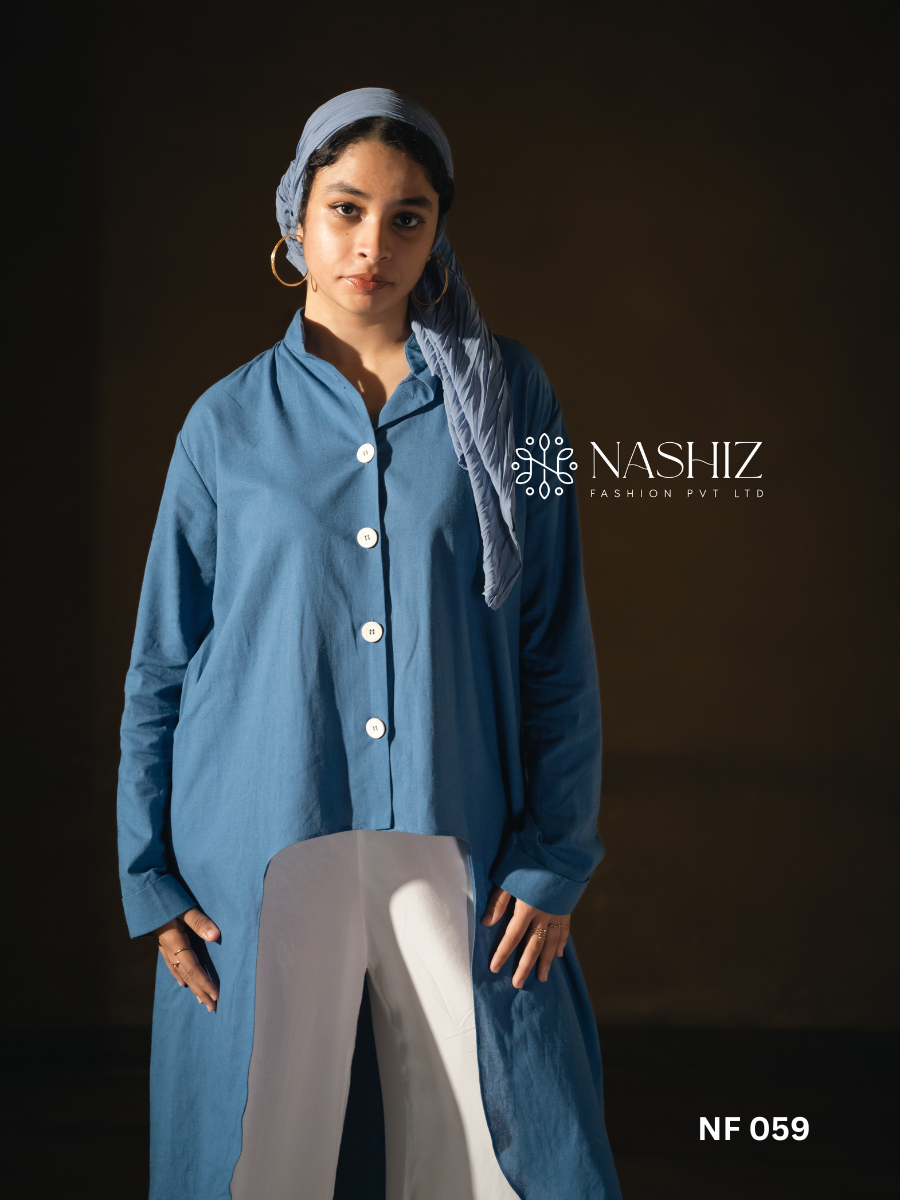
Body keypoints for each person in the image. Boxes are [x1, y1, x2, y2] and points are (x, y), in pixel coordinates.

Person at [117, 87, 623, 1200]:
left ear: (438, 233)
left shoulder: (515, 400)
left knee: (507, 1156)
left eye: (408, 217)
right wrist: (148, 874)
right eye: (346, 209)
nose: (372, 244)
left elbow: (553, 635)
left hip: (461, 830)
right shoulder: (222, 424)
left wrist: (556, 852)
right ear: (296, 217)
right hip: (254, 842)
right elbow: (163, 662)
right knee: (256, 1163)